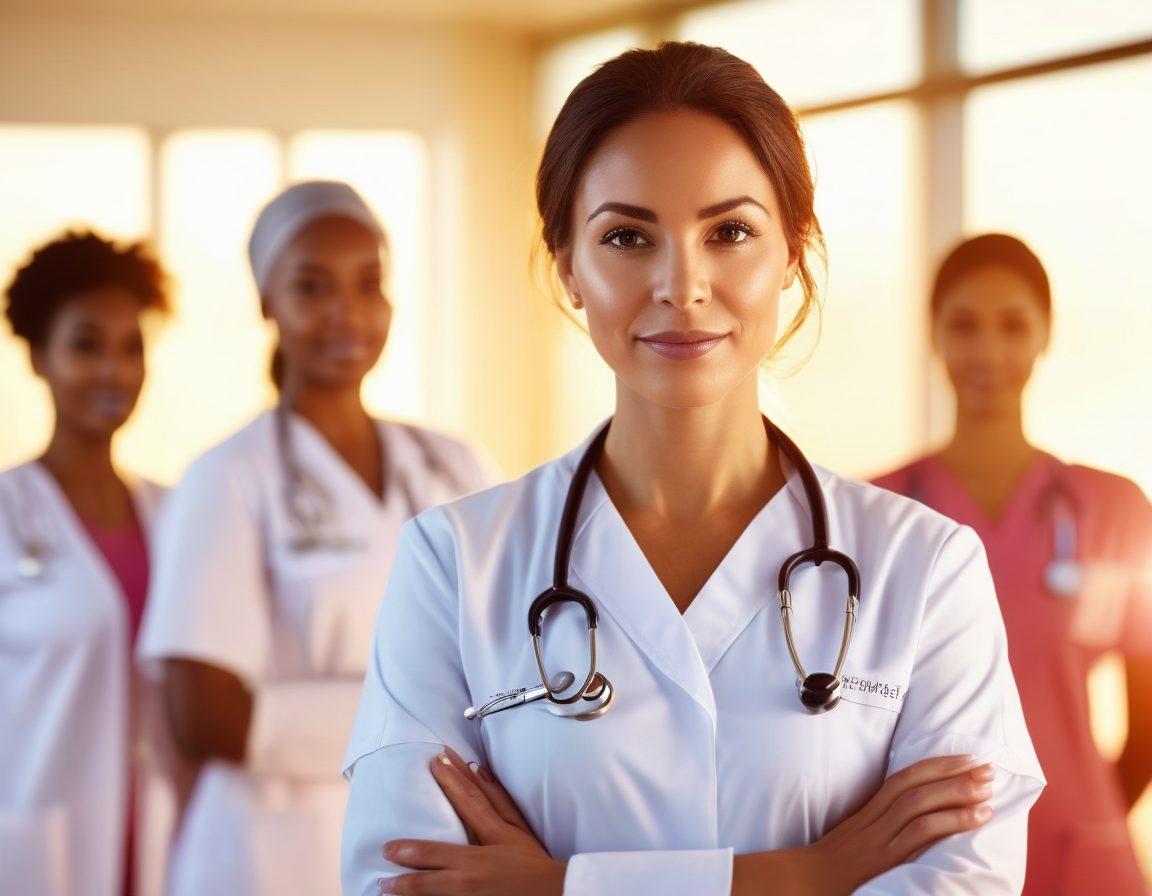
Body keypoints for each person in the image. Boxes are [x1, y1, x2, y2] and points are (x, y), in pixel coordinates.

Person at [341, 43, 1045, 896]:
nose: (683, 283)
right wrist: (810, 875)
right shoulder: (453, 564)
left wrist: (560, 886)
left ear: (793, 251)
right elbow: (401, 883)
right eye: (628, 236)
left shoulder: (925, 568)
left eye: (731, 232)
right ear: (568, 265)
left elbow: (962, 885)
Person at [137, 181, 494, 895]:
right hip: (268, 854)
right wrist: (431, 720)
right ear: (268, 303)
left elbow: (507, 650)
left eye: (370, 284)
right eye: (312, 287)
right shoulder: (228, 478)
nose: (347, 313)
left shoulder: (453, 463)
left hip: (425, 843)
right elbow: (203, 715)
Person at [873, 233, 1152, 895]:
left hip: (1081, 862)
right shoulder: (879, 514)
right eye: (964, 326)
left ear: (1045, 335)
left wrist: (1082, 817)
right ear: (934, 336)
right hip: (932, 867)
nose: (989, 352)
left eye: (1013, 325)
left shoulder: (1113, 510)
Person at [0, 230, 174, 896]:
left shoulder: (178, 513)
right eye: (86, 344)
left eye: (132, 348)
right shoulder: (7, 512)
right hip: (38, 854)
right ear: (38, 355)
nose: (114, 371)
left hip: (165, 842)